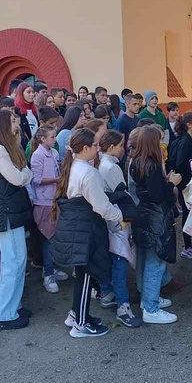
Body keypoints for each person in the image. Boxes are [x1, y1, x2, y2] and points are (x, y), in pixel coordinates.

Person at [52, 128, 124, 338]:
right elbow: (101, 206)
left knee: (83, 273)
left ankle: (76, 314)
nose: (98, 148)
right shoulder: (88, 172)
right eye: (95, 145)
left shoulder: (74, 165)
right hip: (86, 228)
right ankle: (81, 324)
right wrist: (119, 217)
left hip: (77, 226)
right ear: (85, 148)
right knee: (86, 275)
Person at [0, 109, 34, 330]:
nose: (17, 123)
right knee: (13, 262)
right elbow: (18, 178)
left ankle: (14, 305)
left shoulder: (3, 147)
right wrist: (26, 173)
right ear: (3, 124)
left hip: (10, 210)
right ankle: (4, 314)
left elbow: (23, 173)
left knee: (16, 260)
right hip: (6, 212)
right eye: (12, 121)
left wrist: (24, 172)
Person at [130, 126, 181, 324]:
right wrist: (172, 183)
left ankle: (147, 299)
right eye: (160, 140)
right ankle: (151, 308)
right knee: (156, 261)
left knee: (146, 259)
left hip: (144, 215)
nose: (163, 143)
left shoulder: (137, 161)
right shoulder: (151, 165)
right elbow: (157, 195)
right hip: (156, 218)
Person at [97, 130, 140, 327]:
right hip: (117, 218)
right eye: (121, 145)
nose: (124, 149)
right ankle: (123, 305)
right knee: (120, 259)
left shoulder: (102, 163)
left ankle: (107, 293)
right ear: (112, 147)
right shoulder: (111, 167)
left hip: (109, 218)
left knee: (114, 258)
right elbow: (122, 195)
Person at [31, 124, 69, 293]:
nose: (55, 140)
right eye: (52, 137)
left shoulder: (53, 153)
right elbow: (36, 179)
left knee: (54, 236)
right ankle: (48, 273)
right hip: (43, 201)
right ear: (42, 138)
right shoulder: (37, 155)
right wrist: (57, 180)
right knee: (48, 238)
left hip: (54, 199)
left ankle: (51, 267)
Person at [168, 110, 192, 260]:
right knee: (188, 214)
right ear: (189, 125)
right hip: (186, 184)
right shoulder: (184, 141)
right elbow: (180, 163)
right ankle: (188, 246)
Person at [14, 82, 39, 148]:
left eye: (33, 92)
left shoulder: (35, 110)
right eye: (28, 92)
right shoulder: (16, 111)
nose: (32, 94)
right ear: (21, 94)